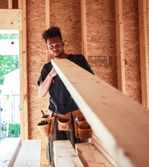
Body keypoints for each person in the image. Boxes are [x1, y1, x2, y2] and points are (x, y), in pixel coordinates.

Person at [37, 26, 94, 167]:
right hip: (56, 118)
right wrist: (51, 75)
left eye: (57, 44)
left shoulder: (78, 60)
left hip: (76, 117)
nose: (55, 48)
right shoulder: (46, 68)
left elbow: (91, 83)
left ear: (63, 44)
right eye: (51, 46)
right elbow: (41, 94)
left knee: (79, 157)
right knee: (56, 158)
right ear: (47, 48)